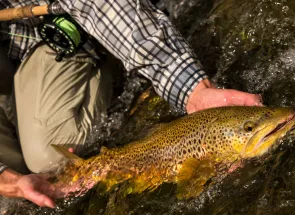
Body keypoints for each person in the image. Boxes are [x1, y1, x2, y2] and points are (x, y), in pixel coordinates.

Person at [0, 0, 262, 209]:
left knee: (48, 159)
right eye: (250, 128)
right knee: (20, 183)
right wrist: (11, 181)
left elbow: (99, 4)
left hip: (56, 28)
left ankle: (107, 51)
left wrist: (192, 90)